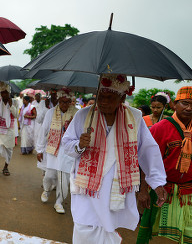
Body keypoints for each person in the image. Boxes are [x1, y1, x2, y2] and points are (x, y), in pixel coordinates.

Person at [62, 74, 167, 244]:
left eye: (109, 98)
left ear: (122, 97)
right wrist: (80, 144)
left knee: (108, 228)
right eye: (101, 97)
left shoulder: (135, 117)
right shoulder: (83, 115)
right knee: (83, 227)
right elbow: (66, 143)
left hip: (116, 186)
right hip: (87, 186)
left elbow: (148, 150)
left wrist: (157, 182)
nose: (103, 102)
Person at [137, 86, 192, 244]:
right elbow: (146, 161)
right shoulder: (159, 129)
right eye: (184, 103)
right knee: (153, 231)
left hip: (189, 192)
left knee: (188, 231)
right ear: (175, 104)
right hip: (160, 189)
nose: (188, 108)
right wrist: (143, 190)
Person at [36, 88, 77, 214]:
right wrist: (39, 149)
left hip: (67, 152)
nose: (64, 104)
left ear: (71, 101)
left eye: (67, 102)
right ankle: (47, 190)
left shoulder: (76, 114)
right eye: (62, 101)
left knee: (64, 179)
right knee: (49, 175)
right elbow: (43, 131)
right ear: (58, 101)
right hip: (53, 149)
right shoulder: (51, 112)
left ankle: (59, 202)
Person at [0, 82, 18, 176]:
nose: (4, 94)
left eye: (6, 92)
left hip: (9, 129)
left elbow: (16, 115)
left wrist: (11, 106)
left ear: (9, 93)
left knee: (9, 149)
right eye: (2, 93)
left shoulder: (14, 102)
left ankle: (6, 167)